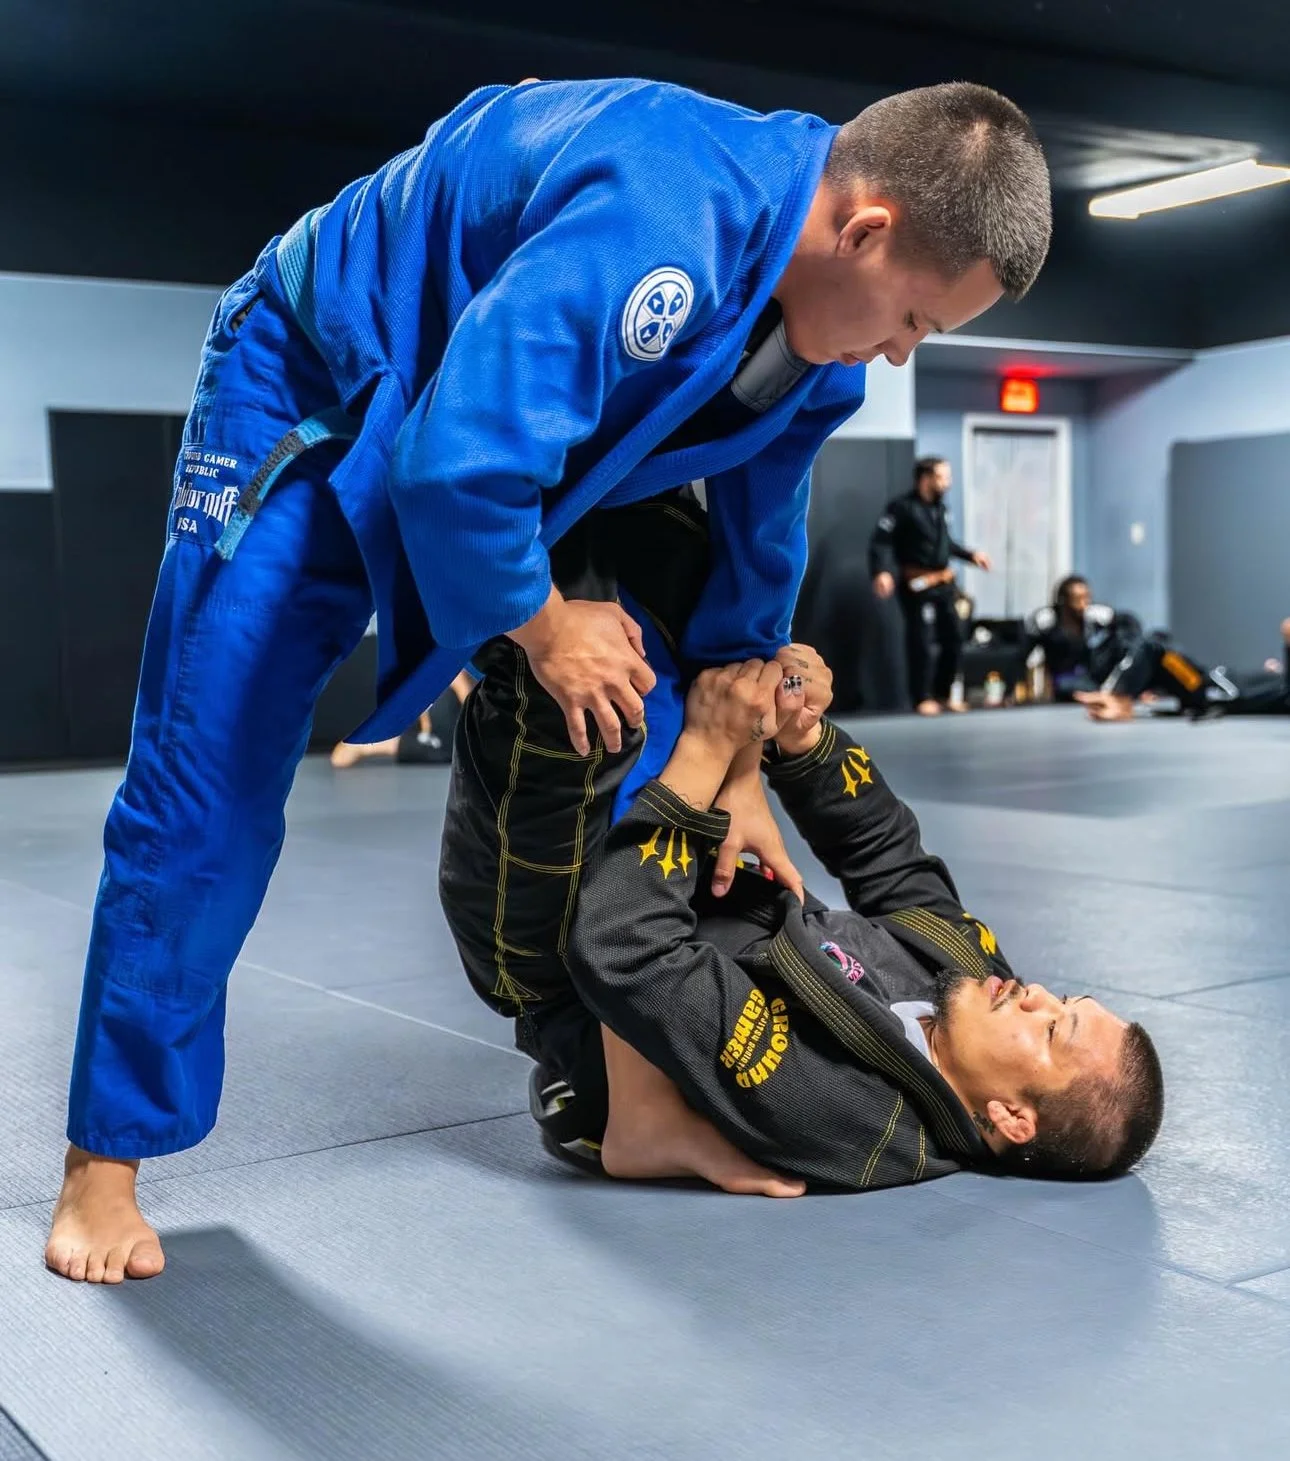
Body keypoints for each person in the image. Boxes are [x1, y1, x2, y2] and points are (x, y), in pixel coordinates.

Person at [46, 77, 1052, 1282]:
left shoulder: (817, 355)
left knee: (658, 718)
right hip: (323, 377)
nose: (899, 354)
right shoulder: (664, 215)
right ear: (866, 230)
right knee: (213, 766)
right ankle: (105, 1162)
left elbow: (753, 561)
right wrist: (540, 620)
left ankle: (637, 1104)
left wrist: (740, 765)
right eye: (916, 321)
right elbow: (454, 465)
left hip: (522, 429)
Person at [441, 502, 1163, 1196]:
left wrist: (709, 752)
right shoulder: (978, 982)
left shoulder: (852, 1117)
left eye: (1053, 1029)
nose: (1035, 995)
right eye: (1060, 999)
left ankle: (448, 493)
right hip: (679, 871)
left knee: (575, 675)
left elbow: (627, 952)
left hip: (560, 950)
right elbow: (889, 857)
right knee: (676, 545)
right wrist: (799, 734)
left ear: (1010, 1118)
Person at [869, 457, 992, 715]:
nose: (948, 483)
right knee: (921, 641)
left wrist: (971, 555)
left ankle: (943, 694)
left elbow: (947, 543)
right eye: (942, 477)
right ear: (926, 479)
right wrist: (881, 571)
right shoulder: (901, 508)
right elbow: (881, 542)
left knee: (954, 637)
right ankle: (922, 697)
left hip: (943, 583)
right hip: (917, 584)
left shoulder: (941, 509)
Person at [1076, 617, 1290, 722]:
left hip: (1207, 689)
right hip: (1209, 683)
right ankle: (1115, 695)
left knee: (1155, 649)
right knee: (1158, 652)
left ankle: (1118, 700)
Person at [1025, 575, 1144, 702]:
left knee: (1135, 641)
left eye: (1087, 597)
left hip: (1093, 676)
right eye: (1077, 599)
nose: (1084, 603)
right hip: (1064, 680)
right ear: (1063, 600)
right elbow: (1024, 651)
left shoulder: (1094, 617)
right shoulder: (1048, 621)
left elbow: (1130, 628)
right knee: (1068, 685)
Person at [330, 671, 475, 768]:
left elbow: (461, 685)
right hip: (443, 732)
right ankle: (363, 745)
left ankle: (364, 744)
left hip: (449, 729)